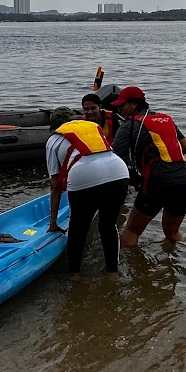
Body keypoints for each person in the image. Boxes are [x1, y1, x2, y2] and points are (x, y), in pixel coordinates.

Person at [45, 109, 129, 272]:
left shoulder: (54, 139)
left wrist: (53, 222)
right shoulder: (92, 127)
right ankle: (112, 272)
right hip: (119, 171)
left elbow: (55, 185)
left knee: (78, 227)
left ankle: (74, 275)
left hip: (83, 174)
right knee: (108, 225)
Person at [110, 86, 186, 247]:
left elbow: (112, 157)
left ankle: (129, 270)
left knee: (132, 231)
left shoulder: (129, 124)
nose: (120, 109)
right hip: (184, 179)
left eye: (122, 105)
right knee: (172, 232)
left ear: (134, 105)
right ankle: (177, 263)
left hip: (157, 180)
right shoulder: (165, 118)